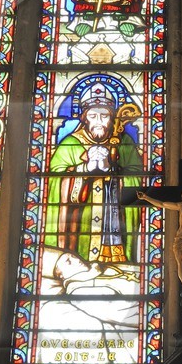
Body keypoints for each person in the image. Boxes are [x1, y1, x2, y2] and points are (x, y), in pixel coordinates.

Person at [43, 83, 144, 264]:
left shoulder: (124, 143)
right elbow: (53, 183)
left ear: (112, 118)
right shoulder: (70, 143)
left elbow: (139, 179)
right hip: (80, 228)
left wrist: (113, 172)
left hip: (115, 223)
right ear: (85, 118)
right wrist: (84, 170)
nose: (99, 121)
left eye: (104, 115)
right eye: (93, 115)